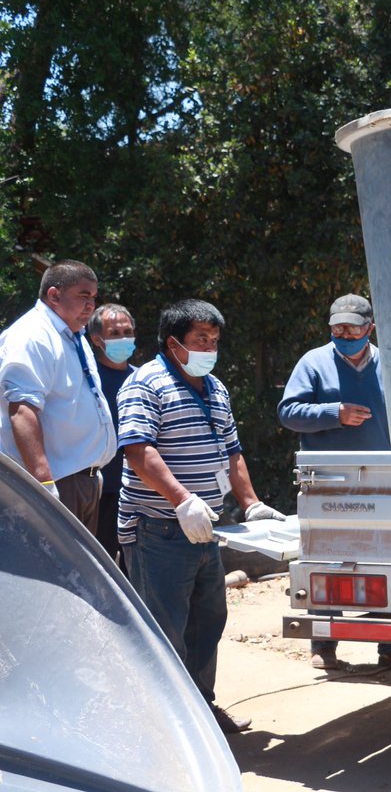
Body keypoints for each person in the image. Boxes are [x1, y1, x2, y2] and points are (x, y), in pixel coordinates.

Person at [117, 299, 287, 734]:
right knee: (164, 629)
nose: (210, 347)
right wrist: (180, 499)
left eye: (214, 340)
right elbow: (139, 451)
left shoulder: (214, 387)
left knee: (207, 623)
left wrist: (251, 503)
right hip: (159, 530)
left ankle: (200, 709)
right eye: (201, 340)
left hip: (204, 530)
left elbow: (231, 450)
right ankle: (163, 727)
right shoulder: (145, 384)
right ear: (174, 343)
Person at [277, 293, 391, 670]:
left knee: (388, 560)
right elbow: (288, 412)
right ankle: (324, 645)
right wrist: (334, 413)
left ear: (370, 329)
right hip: (329, 481)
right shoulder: (314, 363)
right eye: (337, 328)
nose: (344, 334)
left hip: (386, 481)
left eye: (352, 327)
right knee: (328, 559)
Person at [0, 260, 116, 532]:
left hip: (82, 482)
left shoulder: (72, 335)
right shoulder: (32, 335)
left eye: (94, 298)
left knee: (80, 574)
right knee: (47, 573)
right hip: (55, 484)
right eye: (83, 296)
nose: (91, 305)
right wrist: (44, 486)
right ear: (54, 295)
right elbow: (22, 411)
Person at [88, 303, 139, 570]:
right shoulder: (89, 379)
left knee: (137, 572)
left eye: (127, 331)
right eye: (115, 332)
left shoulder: (141, 378)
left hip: (140, 492)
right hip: (102, 492)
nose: (123, 338)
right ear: (97, 339)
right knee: (102, 567)